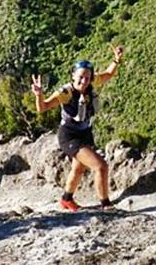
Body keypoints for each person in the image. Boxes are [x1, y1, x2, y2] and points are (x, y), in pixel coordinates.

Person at [31, 45, 124, 211]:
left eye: (87, 77)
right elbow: (43, 108)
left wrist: (117, 59)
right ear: (73, 76)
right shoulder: (65, 93)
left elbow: (109, 74)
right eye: (80, 77)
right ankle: (106, 204)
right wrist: (39, 95)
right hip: (69, 136)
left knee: (78, 168)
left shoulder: (91, 84)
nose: (84, 81)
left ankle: (66, 199)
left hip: (85, 133)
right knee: (100, 166)